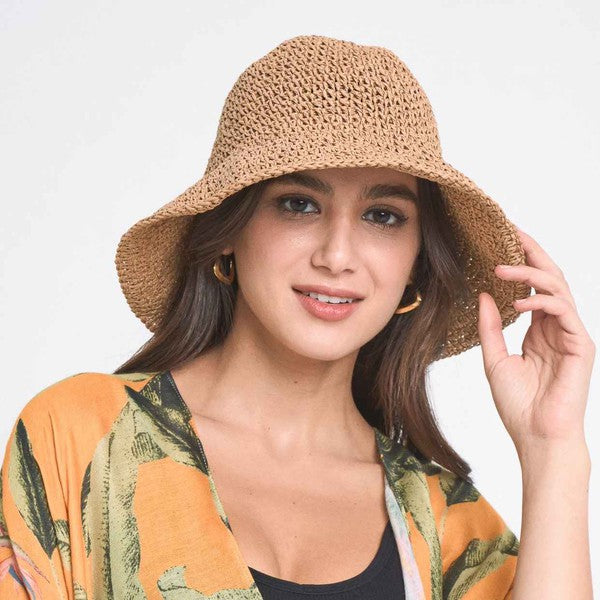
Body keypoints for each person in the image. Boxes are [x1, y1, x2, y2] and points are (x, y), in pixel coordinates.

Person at [0, 34, 593, 600]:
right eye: (298, 204)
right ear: (228, 229)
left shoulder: (445, 524)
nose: (337, 256)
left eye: (383, 216)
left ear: (415, 262)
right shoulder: (83, 437)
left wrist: (553, 450)